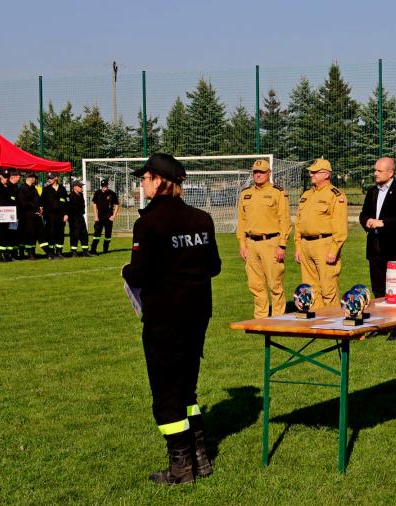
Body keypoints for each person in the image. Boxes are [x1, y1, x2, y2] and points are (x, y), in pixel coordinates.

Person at [122, 153, 221, 485]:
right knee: (186, 387)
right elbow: (214, 267)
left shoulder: (148, 223)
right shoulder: (202, 219)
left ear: (158, 180)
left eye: (144, 179)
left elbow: (140, 274)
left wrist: (127, 271)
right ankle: (200, 457)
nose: (142, 185)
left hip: (165, 317)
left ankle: (180, 467)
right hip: (198, 313)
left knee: (166, 393)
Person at [236, 159, 291, 318]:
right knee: (255, 285)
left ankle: (278, 318)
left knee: (275, 284)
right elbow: (241, 221)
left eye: (261, 172)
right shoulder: (245, 194)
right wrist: (242, 244)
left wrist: (282, 245)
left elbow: (285, 220)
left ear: (269, 173)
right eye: (255, 172)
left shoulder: (277, 193)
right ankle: (260, 318)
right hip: (250, 244)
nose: (258, 175)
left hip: (271, 243)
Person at [294, 159, 348, 311]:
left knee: (328, 288)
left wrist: (334, 250)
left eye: (315, 172)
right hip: (305, 245)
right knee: (310, 289)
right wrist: (298, 246)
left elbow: (340, 226)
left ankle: (332, 321)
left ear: (326, 174)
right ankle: (316, 320)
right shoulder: (306, 194)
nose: (311, 174)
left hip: (324, 245)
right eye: (311, 172)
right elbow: (298, 223)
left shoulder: (335, 195)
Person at [359, 156, 396, 298]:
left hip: (395, 251)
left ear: (390, 173)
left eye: (379, 171)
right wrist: (367, 221)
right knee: (378, 293)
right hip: (374, 251)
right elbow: (363, 214)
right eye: (375, 170)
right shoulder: (372, 191)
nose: (375, 173)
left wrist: (384, 223)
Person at [39, 173, 68, 259]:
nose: (49, 180)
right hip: (49, 216)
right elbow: (41, 202)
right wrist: (41, 209)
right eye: (48, 178)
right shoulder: (46, 189)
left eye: (51, 178)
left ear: (56, 178)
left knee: (60, 234)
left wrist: (66, 214)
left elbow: (66, 203)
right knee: (50, 234)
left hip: (61, 216)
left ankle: (59, 252)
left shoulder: (62, 189)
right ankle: (51, 253)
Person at [17, 173, 43, 260]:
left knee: (34, 235)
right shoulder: (22, 189)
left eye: (34, 178)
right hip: (25, 216)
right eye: (33, 178)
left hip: (34, 215)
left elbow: (38, 200)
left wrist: (40, 208)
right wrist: (36, 208)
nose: (34, 179)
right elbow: (24, 203)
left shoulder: (33, 188)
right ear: (28, 178)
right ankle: (28, 253)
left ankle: (32, 252)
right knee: (28, 235)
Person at [90, 179, 119, 255]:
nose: (104, 187)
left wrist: (113, 216)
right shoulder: (97, 193)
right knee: (97, 234)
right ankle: (93, 250)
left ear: (107, 185)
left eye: (105, 186)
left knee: (108, 235)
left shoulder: (112, 193)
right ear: (101, 186)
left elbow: (117, 205)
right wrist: (95, 216)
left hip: (108, 218)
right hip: (99, 218)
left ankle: (105, 249)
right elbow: (94, 204)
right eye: (103, 186)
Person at [68, 181, 91, 257]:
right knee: (75, 235)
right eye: (80, 186)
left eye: (81, 186)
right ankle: (74, 252)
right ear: (74, 187)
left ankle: (85, 251)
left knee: (84, 234)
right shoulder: (70, 196)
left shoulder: (81, 195)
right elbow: (68, 207)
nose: (81, 188)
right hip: (73, 218)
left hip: (80, 217)